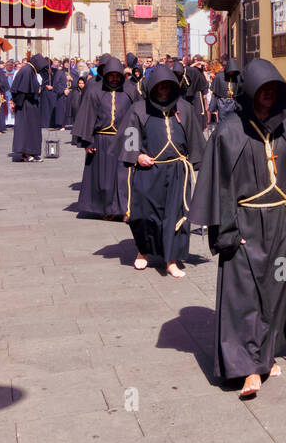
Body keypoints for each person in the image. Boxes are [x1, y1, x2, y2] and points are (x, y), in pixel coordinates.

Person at [190, 59, 286, 398]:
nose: (268, 97)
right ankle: (247, 371)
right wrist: (226, 232)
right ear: (250, 93)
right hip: (245, 226)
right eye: (262, 92)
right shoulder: (229, 131)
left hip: (282, 224)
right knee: (243, 299)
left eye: (274, 91)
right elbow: (220, 187)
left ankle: (264, 356)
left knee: (275, 292)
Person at [118, 66, 205, 278]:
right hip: (149, 170)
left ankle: (171, 260)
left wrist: (201, 166)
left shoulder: (184, 109)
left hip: (177, 171)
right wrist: (137, 155)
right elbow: (129, 137)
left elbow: (195, 139)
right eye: (159, 87)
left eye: (167, 86)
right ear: (152, 88)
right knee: (145, 214)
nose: (164, 91)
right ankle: (144, 251)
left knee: (175, 216)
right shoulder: (139, 110)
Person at [72, 56, 129, 218]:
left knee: (123, 178)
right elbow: (87, 116)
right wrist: (87, 140)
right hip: (101, 141)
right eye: (111, 76)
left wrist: (135, 144)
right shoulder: (95, 91)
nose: (114, 79)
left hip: (123, 141)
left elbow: (136, 118)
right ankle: (107, 209)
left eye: (117, 76)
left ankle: (124, 208)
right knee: (104, 179)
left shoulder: (129, 92)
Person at [10, 54, 47, 162]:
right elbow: (22, 90)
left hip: (30, 104)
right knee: (26, 129)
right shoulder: (27, 71)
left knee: (32, 129)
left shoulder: (30, 70)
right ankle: (26, 152)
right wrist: (17, 104)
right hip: (26, 105)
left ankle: (32, 152)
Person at [210, 57, 241, 122]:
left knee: (232, 121)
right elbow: (215, 93)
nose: (231, 72)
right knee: (222, 122)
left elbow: (239, 91)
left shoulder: (236, 77)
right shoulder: (219, 76)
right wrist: (212, 107)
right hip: (222, 102)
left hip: (233, 103)